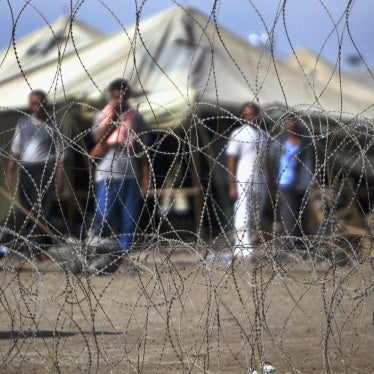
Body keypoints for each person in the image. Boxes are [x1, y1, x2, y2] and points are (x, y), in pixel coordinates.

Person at [90, 79, 149, 268]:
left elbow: (142, 149)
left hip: (130, 173)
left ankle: (124, 255)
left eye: (123, 97)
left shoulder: (136, 117)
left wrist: (146, 176)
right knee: (104, 214)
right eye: (116, 97)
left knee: (129, 219)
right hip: (107, 172)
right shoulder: (102, 115)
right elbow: (97, 140)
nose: (120, 101)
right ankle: (103, 250)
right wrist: (112, 121)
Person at [6, 89, 64, 251]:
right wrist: (10, 172)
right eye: (34, 103)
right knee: (27, 207)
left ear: (45, 104)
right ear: (30, 105)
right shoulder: (23, 123)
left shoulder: (54, 125)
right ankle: (32, 242)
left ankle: (39, 245)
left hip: (45, 168)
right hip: (27, 169)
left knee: (41, 209)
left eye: (40, 103)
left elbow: (61, 155)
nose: (38, 107)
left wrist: (60, 178)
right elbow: (16, 150)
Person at [226, 102, 269, 260]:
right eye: (247, 115)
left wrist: (270, 183)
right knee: (243, 211)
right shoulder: (239, 134)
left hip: (260, 179)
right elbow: (232, 160)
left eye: (253, 114)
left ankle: (249, 243)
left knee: (255, 214)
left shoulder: (264, 135)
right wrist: (232, 184)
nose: (250, 118)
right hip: (243, 178)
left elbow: (266, 161)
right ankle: (242, 247)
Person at [272, 115, 314, 242]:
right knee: (289, 213)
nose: (291, 126)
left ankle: (300, 242)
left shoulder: (305, 142)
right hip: (284, 181)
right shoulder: (279, 143)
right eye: (288, 124)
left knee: (301, 212)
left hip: (302, 182)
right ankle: (289, 243)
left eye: (293, 123)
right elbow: (270, 160)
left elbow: (310, 162)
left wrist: (312, 178)